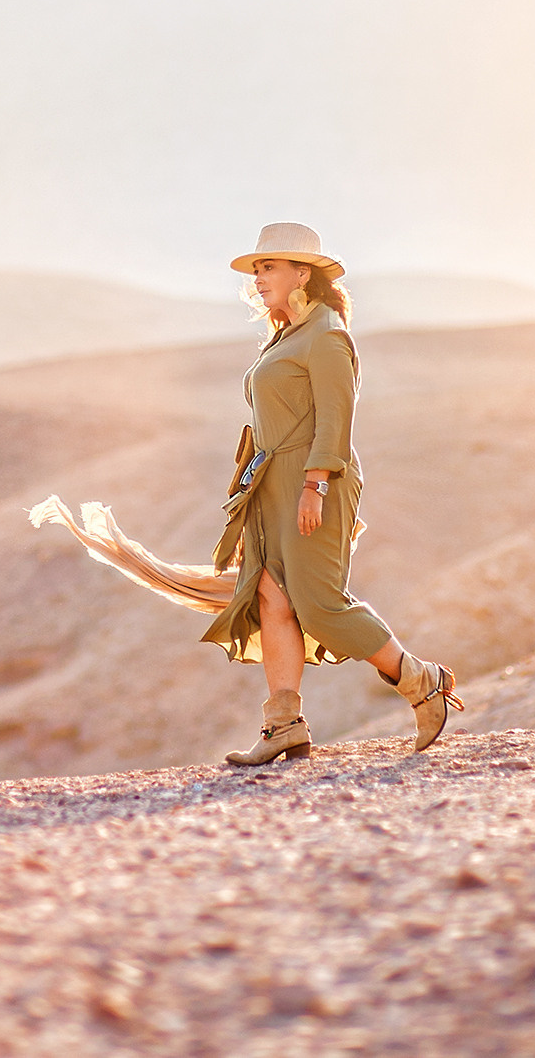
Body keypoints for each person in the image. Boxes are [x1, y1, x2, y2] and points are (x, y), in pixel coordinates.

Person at [208, 222, 461, 765]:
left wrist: (314, 485)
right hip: (269, 484)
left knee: (319, 606)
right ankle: (283, 726)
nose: (258, 279)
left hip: (315, 480)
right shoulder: (286, 335)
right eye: (256, 269)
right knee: (270, 598)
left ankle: (421, 680)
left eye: (268, 267)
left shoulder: (325, 334)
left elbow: (336, 420)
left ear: (304, 272)